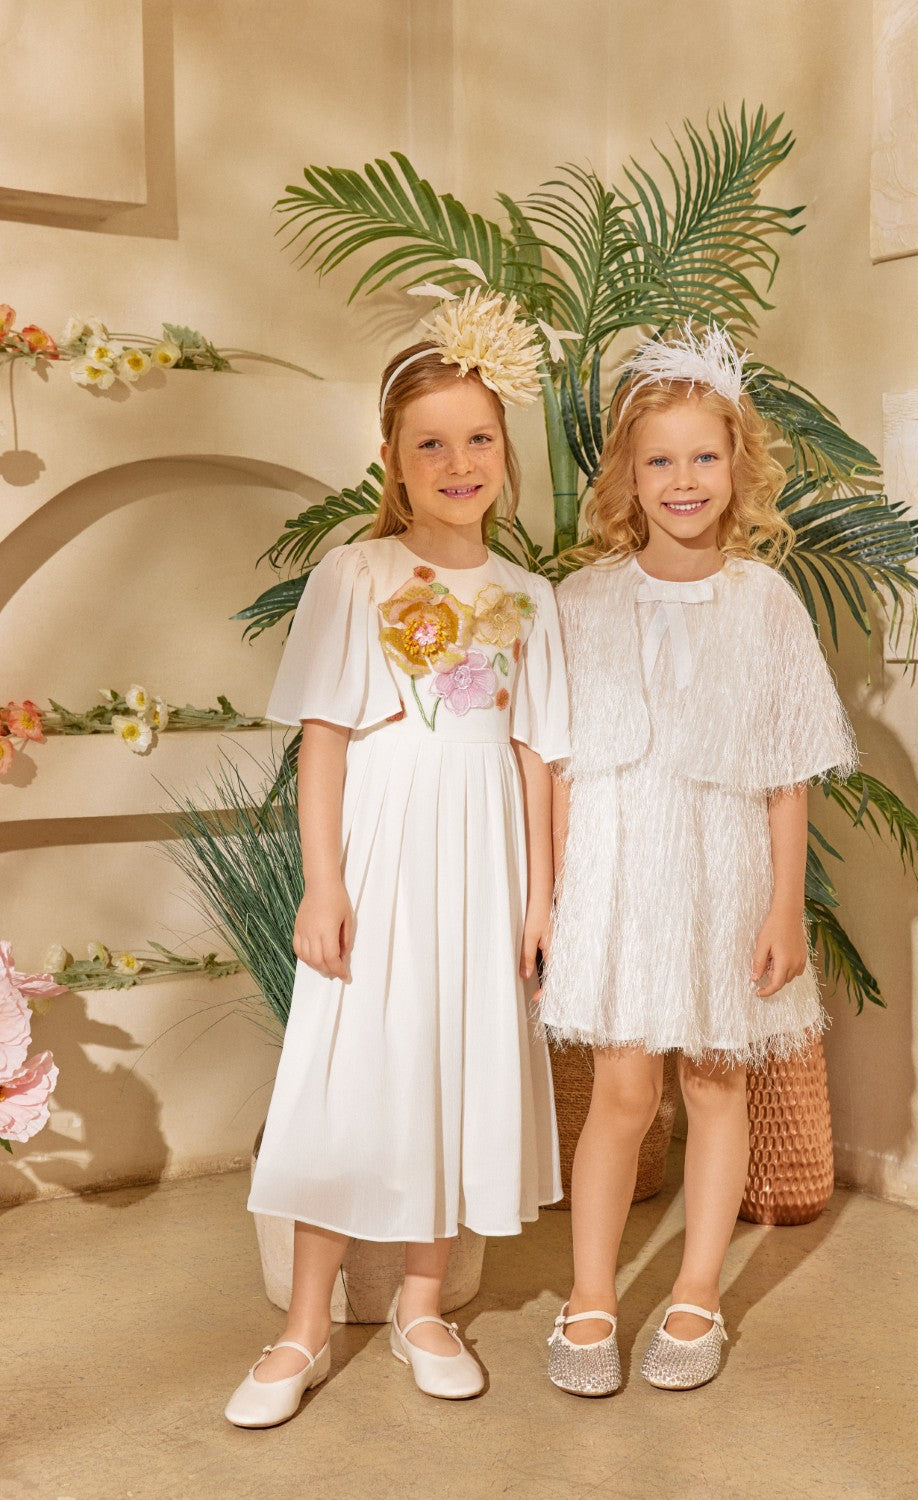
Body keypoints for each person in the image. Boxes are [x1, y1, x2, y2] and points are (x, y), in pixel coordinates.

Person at [226, 288, 568, 1427]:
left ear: (504, 452)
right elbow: (324, 740)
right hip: (379, 853)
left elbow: (537, 757)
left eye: (478, 439)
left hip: (486, 864)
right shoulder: (355, 575)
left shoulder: (531, 598)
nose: (458, 463)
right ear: (393, 460)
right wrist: (324, 882)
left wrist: (542, 898)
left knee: (455, 1067)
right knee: (349, 1077)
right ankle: (302, 1328)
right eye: (431, 444)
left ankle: (425, 1308)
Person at [540, 324, 856, 1396]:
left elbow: (788, 771)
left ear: (737, 466)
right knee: (622, 1091)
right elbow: (554, 766)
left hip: (725, 872)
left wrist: (782, 908)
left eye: (704, 457)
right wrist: (553, 899)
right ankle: (591, 1296)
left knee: (717, 1081)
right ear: (628, 477)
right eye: (661, 460)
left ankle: (697, 1291)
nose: (684, 480)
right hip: (615, 873)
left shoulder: (766, 602)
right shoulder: (580, 603)